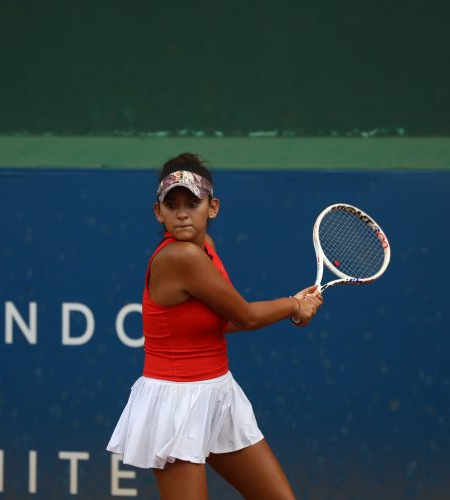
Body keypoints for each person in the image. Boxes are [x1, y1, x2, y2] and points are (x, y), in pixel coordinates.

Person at [107, 153, 322, 499]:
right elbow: (246, 316)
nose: (182, 213)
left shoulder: (207, 248)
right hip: (174, 402)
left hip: (219, 392)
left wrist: (291, 307)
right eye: (172, 205)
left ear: (213, 207)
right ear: (158, 212)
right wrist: (294, 305)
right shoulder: (181, 257)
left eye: (192, 203)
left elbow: (223, 322)